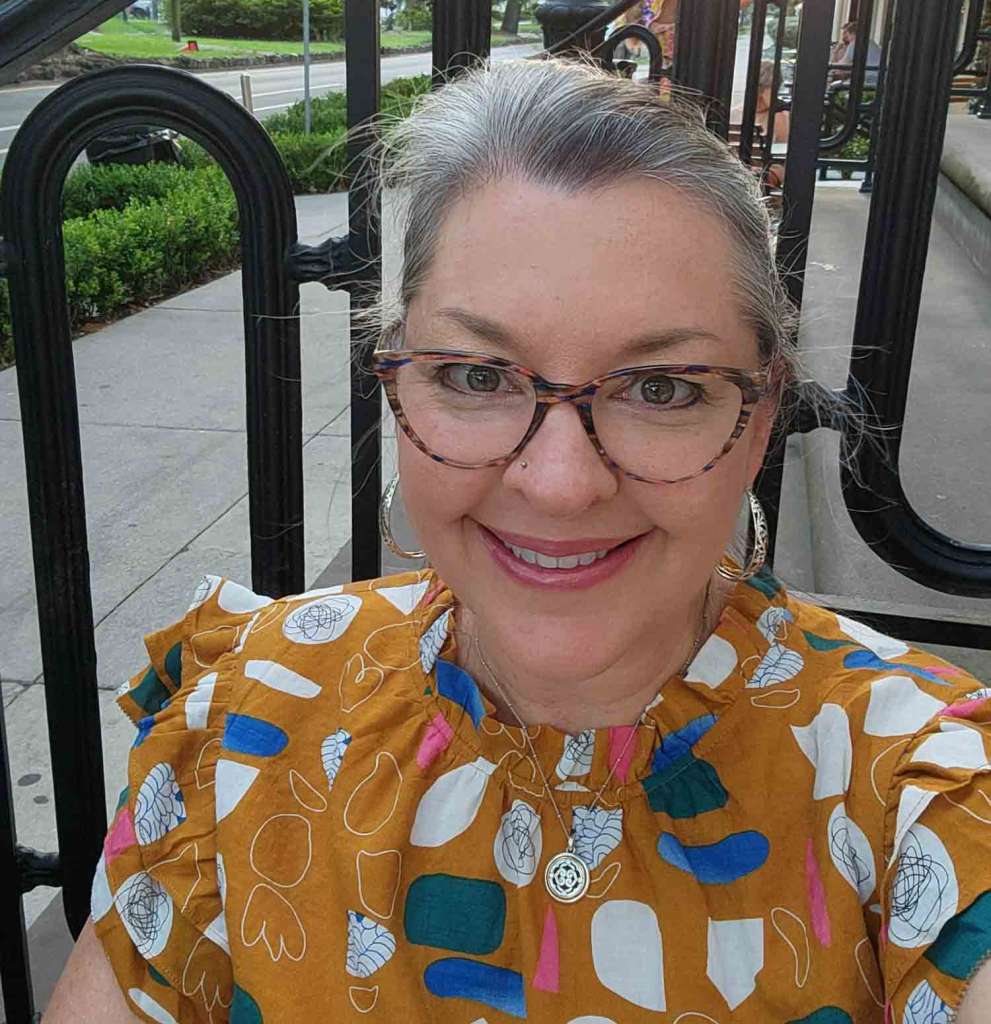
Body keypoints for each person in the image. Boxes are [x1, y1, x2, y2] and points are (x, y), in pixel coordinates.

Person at [46, 58, 991, 1023]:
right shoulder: (245, 719)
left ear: (756, 422)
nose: (560, 483)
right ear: (393, 381)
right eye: (475, 376)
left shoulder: (919, 783)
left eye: (659, 388)